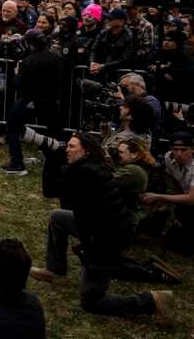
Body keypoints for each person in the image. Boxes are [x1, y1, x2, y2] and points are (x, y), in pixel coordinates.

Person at [31, 132, 172, 320]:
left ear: (86, 151)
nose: (67, 149)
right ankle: (55, 269)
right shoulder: (89, 166)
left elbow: (49, 190)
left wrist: (50, 158)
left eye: (72, 146)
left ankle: (151, 300)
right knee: (58, 218)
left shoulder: (86, 172)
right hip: (98, 227)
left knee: (91, 301)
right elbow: (64, 194)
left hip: (106, 239)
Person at [3, 30, 63, 176]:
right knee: (54, 130)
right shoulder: (56, 58)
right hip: (50, 101)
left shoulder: (28, 61)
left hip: (28, 100)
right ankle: (58, 161)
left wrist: (17, 73)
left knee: (13, 127)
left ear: (30, 44)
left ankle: (17, 163)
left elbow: (18, 84)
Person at [141, 131, 194, 255]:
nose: (179, 154)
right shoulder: (169, 158)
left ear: (192, 150)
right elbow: (176, 181)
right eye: (175, 149)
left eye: (184, 150)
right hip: (188, 199)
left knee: (185, 248)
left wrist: (159, 197)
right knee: (171, 241)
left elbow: (192, 198)